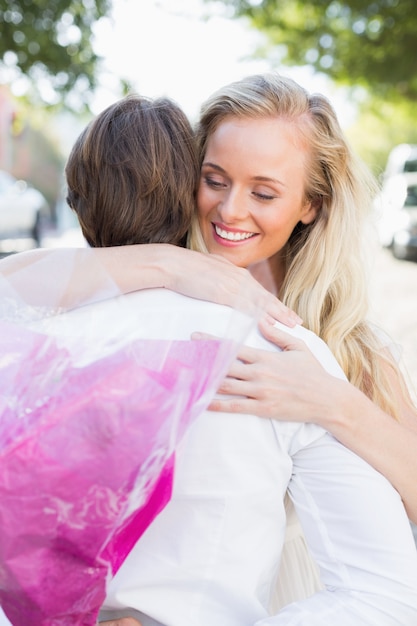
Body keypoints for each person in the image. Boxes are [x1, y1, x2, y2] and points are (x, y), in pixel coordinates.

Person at [2, 89, 417, 626]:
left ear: (311, 205)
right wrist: (164, 264)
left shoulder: (349, 346)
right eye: (215, 180)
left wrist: (335, 402)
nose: (230, 209)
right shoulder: (159, 293)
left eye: (263, 194)